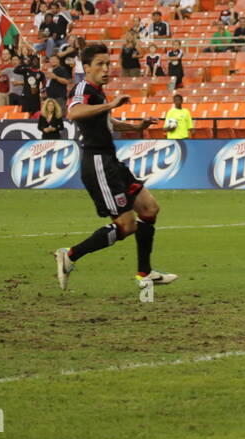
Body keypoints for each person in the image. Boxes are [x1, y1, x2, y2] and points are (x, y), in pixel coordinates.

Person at [53, 44, 174, 291]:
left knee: (150, 208)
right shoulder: (82, 88)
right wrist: (111, 105)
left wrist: (136, 128)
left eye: (108, 64)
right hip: (97, 163)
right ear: (85, 68)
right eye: (99, 64)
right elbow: (74, 112)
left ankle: (145, 273)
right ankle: (70, 255)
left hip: (112, 162)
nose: (106, 69)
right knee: (127, 225)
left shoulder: (97, 92)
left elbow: (107, 123)